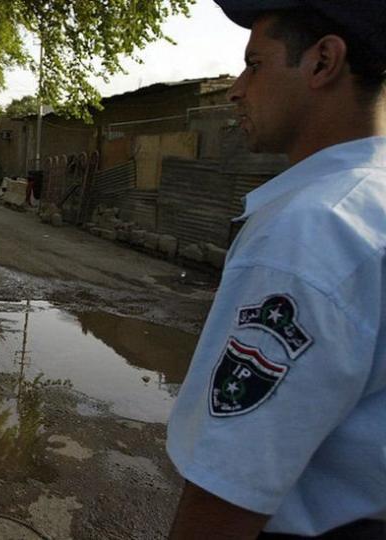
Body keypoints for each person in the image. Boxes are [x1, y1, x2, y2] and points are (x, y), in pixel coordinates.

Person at [166, 2, 386, 539]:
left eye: (255, 64)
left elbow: (229, 493)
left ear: (322, 62)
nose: (236, 89)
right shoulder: (370, 203)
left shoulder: (312, 231)